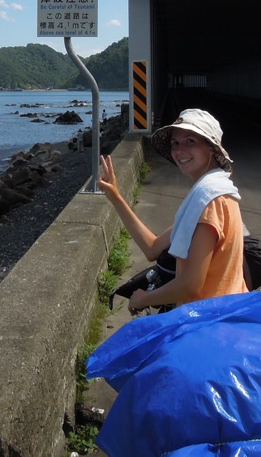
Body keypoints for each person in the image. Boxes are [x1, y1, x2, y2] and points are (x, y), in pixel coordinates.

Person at [98, 108, 248, 313]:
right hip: (228, 310)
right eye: (175, 143)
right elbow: (152, 247)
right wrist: (115, 197)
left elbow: (190, 286)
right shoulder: (214, 193)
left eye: (190, 141)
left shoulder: (208, 201)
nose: (179, 150)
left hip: (207, 321)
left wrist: (144, 298)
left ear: (211, 148)